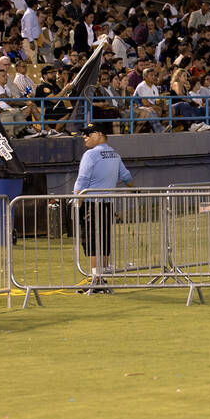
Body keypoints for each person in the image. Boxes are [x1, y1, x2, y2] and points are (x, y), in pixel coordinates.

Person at [74, 123, 134, 293]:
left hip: (90, 204)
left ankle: (95, 280)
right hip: (107, 204)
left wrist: (77, 203)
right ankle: (101, 278)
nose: (84, 137)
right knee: (104, 240)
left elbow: (82, 180)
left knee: (92, 241)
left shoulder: (90, 155)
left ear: (99, 134)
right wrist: (133, 189)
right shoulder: (114, 154)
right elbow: (127, 177)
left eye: (88, 134)